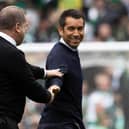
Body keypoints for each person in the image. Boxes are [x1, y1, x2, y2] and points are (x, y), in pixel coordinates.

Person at [0, 5, 62, 129]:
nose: (26, 30)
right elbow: (32, 88)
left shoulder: (6, 51)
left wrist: (46, 73)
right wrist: (50, 94)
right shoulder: (12, 53)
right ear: (17, 27)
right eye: (25, 26)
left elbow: (23, 68)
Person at [38, 9, 86, 129]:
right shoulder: (59, 54)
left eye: (80, 29)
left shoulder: (70, 51)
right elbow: (58, 73)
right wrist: (55, 86)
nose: (76, 33)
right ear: (60, 30)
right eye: (71, 28)